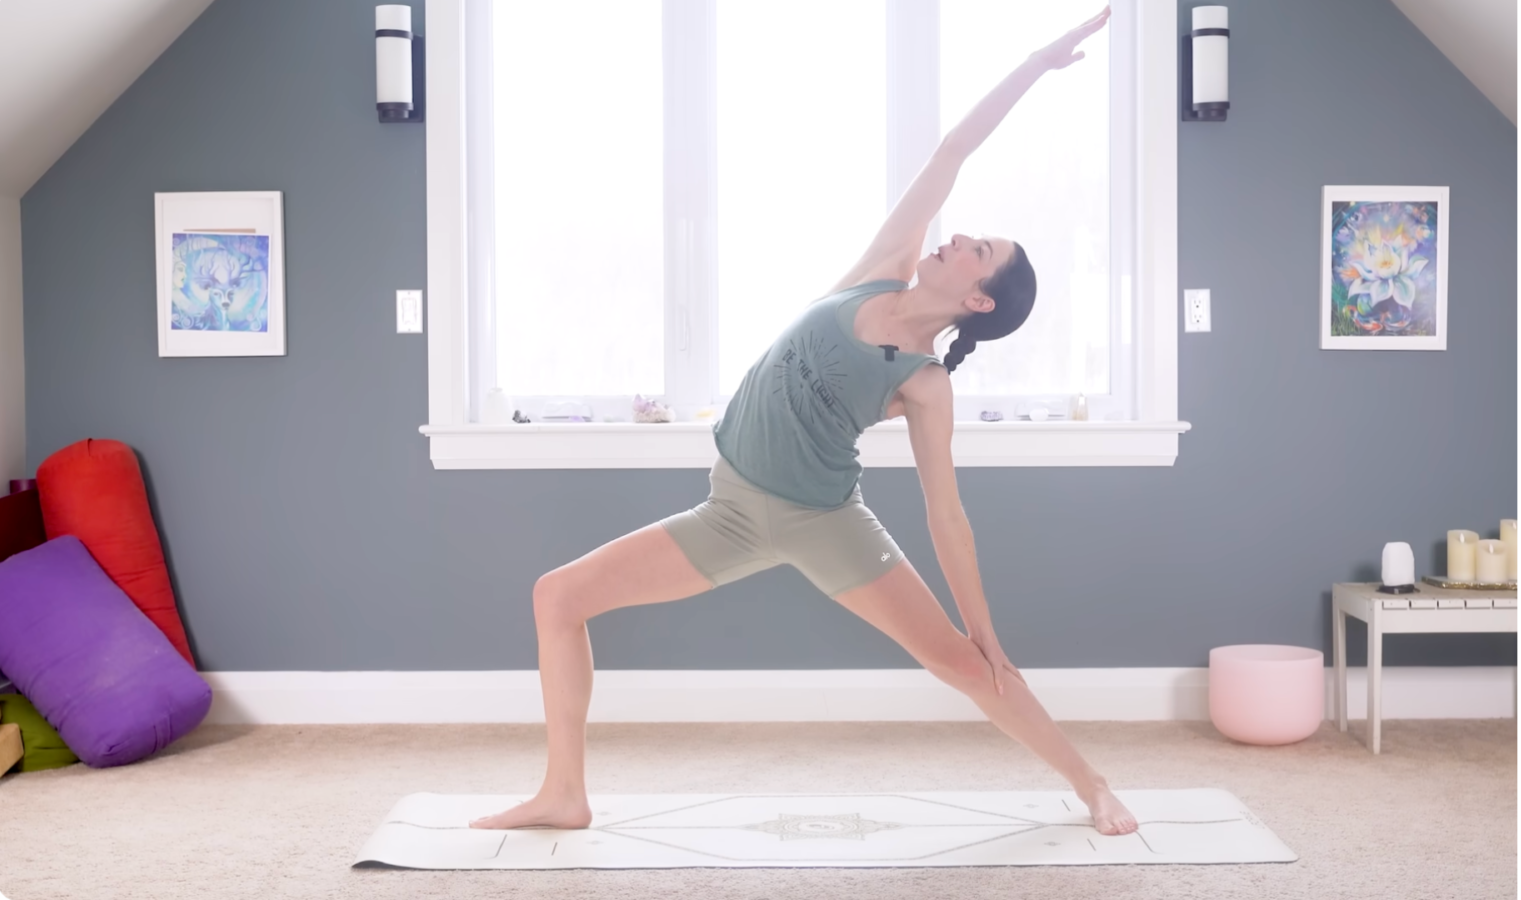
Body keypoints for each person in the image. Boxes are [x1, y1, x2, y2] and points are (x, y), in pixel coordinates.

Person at [472, 6, 1137, 837]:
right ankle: (564, 794)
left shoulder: (925, 385)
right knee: (557, 597)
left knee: (965, 665)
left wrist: (984, 627)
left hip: (824, 523)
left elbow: (946, 513)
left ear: (977, 298)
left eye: (978, 249)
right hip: (728, 512)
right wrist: (1036, 63)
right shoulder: (881, 269)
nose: (958, 236)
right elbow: (952, 152)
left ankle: (1094, 785)